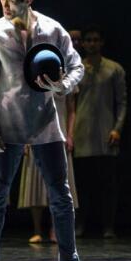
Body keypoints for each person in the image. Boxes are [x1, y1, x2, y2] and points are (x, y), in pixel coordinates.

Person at [0, 0, 86, 261]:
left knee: (60, 194)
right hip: (8, 120)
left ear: (28, 0)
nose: (4, 5)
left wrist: (64, 86)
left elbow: (76, 66)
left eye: (10, 0)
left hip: (46, 120)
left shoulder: (52, 28)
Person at [73, 26, 127, 239]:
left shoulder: (114, 69)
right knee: (81, 185)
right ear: (84, 44)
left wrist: (117, 128)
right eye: (89, 40)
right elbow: (71, 103)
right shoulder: (77, 69)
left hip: (106, 133)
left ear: (102, 43)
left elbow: (122, 102)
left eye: (96, 39)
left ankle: (108, 226)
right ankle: (80, 225)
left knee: (107, 185)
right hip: (81, 133)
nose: (92, 44)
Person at [18, 91, 79, 244]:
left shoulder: (67, 77)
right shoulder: (32, 76)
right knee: (35, 182)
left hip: (59, 134)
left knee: (59, 183)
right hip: (35, 133)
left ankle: (55, 229)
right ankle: (37, 230)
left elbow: (71, 110)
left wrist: (70, 135)